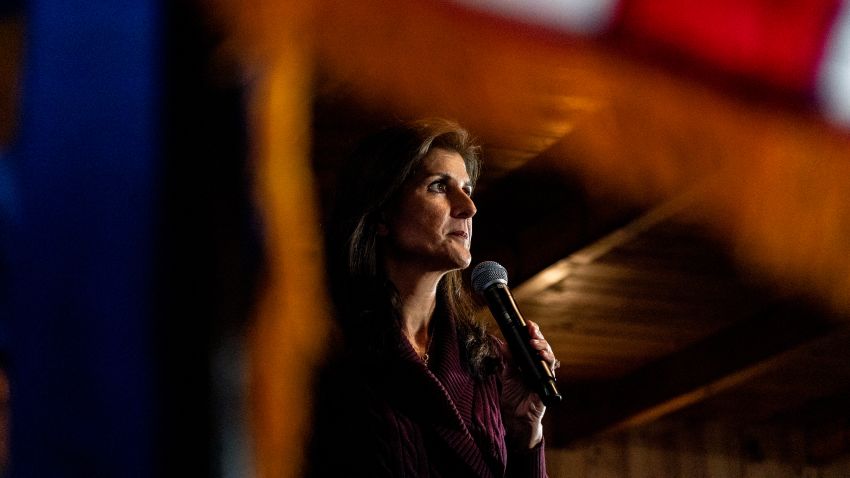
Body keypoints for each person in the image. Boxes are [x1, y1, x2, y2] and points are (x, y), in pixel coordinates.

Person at [308, 118, 559, 477]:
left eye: (467, 190)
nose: (468, 208)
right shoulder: (328, 346)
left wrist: (525, 433)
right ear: (381, 214)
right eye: (439, 186)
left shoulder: (483, 360)